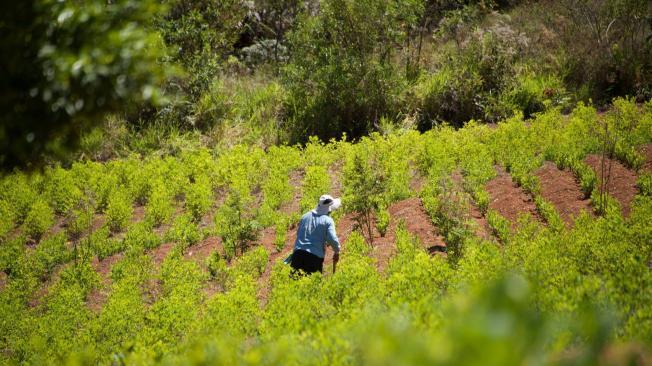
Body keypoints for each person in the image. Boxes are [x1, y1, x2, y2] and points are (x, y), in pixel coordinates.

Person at [288, 194, 341, 275]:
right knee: (311, 285)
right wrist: (337, 251)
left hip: (297, 256)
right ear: (329, 210)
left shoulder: (305, 216)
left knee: (294, 285)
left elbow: (298, 234)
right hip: (313, 259)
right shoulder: (328, 220)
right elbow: (332, 239)